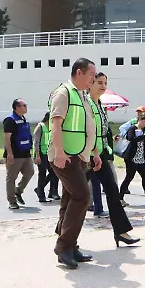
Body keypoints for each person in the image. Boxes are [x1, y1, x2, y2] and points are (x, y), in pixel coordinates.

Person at [48, 58, 102, 270]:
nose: (93, 79)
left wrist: (94, 153)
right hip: (65, 156)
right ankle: (63, 246)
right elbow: (56, 123)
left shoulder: (82, 96)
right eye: (91, 75)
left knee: (70, 198)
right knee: (82, 196)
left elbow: (89, 127)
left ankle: (71, 245)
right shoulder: (64, 93)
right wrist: (59, 152)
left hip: (80, 156)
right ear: (79, 73)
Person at [87, 72, 139, 246]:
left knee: (112, 192)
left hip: (100, 155)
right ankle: (63, 233)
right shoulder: (86, 103)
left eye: (105, 83)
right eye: (99, 82)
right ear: (90, 83)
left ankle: (121, 232)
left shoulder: (99, 104)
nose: (103, 86)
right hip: (87, 155)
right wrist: (92, 153)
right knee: (76, 196)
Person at [3, 99, 35, 210]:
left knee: (30, 172)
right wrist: (9, 153)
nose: (26, 107)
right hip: (15, 155)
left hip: (25, 154)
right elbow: (7, 138)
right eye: (24, 105)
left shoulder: (23, 119)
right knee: (11, 178)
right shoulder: (10, 120)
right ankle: (12, 201)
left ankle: (18, 191)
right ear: (17, 107)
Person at [120, 114, 145, 204]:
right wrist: (143, 137)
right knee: (129, 177)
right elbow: (131, 138)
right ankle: (120, 198)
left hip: (141, 157)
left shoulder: (143, 129)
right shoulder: (132, 129)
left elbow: (143, 142)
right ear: (140, 120)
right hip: (132, 157)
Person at [32, 112, 58, 201]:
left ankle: (39, 189)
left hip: (48, 153)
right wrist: (37, 155)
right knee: (42, 174)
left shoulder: (51, 127)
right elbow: (36, 142)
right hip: (41, 154)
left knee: (53, 172)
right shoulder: (40, 127)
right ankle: (41, 196)